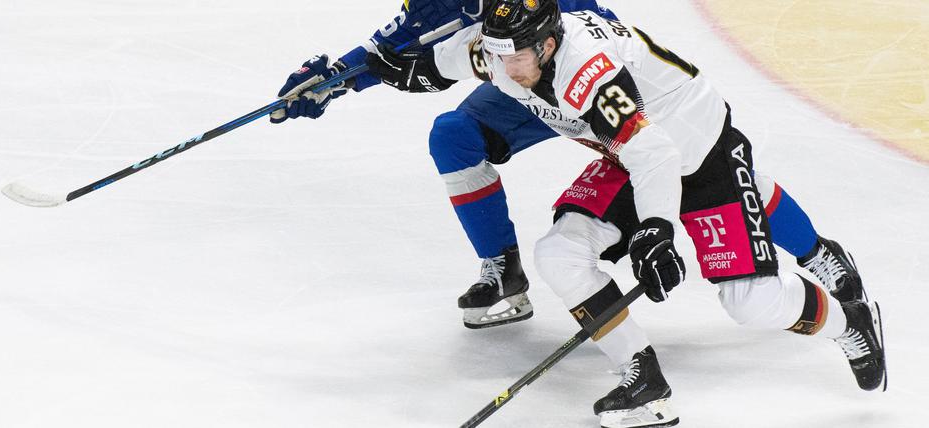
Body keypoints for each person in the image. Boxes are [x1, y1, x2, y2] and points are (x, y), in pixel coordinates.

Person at [364, 1, 887, 426]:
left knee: (749, 302)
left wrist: (657, 231)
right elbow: (451, 59)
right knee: (561, 253)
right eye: (497, 57)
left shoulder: (589, 73)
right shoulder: (504, 53)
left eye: (517, 58)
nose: (506, 70)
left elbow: (656, 153)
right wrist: (408, 73)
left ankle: (851, 322)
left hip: (698, 148)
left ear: (547, 45)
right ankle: (642, 376)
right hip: (631, 153)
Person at [270, 0, 867, 331]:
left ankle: (815, 251)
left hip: (591, 81)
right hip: (524, 78)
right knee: (455, 135)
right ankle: (503, 270)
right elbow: (404, 50)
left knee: (696, 163)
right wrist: (334, 80)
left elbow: (565, 42)